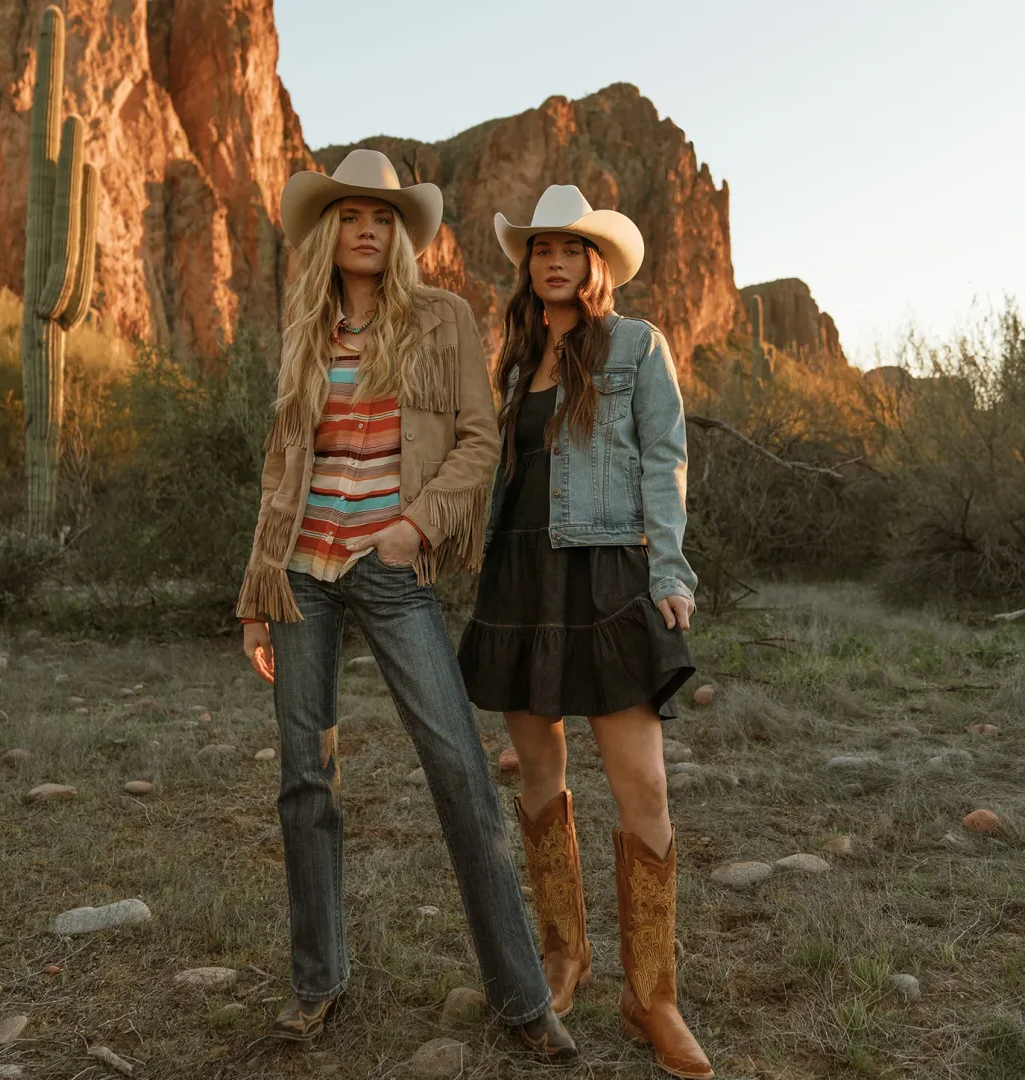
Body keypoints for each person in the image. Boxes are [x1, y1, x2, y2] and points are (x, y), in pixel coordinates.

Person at [238, 150, 575, 1063]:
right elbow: (281, 462)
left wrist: (415, 526)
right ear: (330, 231)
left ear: (401, 235)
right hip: (301, 571)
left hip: (390, 565)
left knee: (461, 771)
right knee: (305, 779)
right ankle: (318, 983)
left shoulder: (441, 318)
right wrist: (258, 591)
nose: (367, 231)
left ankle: (523, 998)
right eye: (351, 216)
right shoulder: (305, 326)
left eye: (382, 218)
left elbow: (478, 439)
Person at [458, 185, 714, 1078]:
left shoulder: (636, 345)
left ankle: (654, 997)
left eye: (570, 248)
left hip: (606, 575)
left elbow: (664, 457)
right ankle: (564, 956)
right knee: (539, 771)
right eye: (541, 249)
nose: (554, 261)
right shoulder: (515, 359)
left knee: (644, 782)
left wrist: (670, 573)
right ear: (528, 265)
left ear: (596, 262)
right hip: (521, 577)